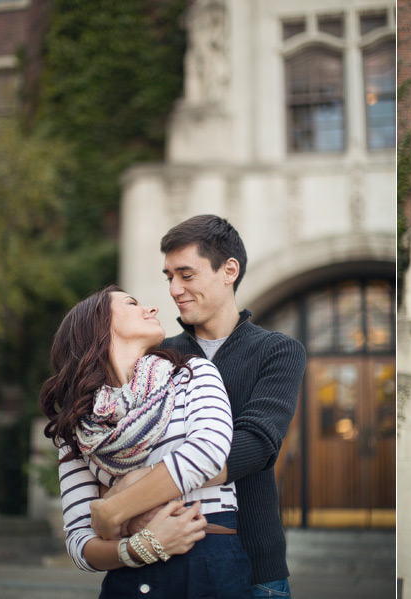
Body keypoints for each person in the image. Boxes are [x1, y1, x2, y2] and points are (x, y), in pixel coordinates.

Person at [91, 214, 306, 598]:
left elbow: (256, 445)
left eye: (186, 275)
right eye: (168, 276)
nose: (174, 289)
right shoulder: (159, 355)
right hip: (165, 561)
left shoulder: (278, 351)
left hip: (258, 565)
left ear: (229, 270)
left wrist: (132, 490)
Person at [39, 286, 254, 597]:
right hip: (128, 579)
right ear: (97, 325)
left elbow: (209, 451)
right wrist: (137, 547)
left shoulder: (192, 374)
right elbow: (79, 541)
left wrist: (114, 505)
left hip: (210, 565)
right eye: (131, 303)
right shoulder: (78, 425)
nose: (151, 308)